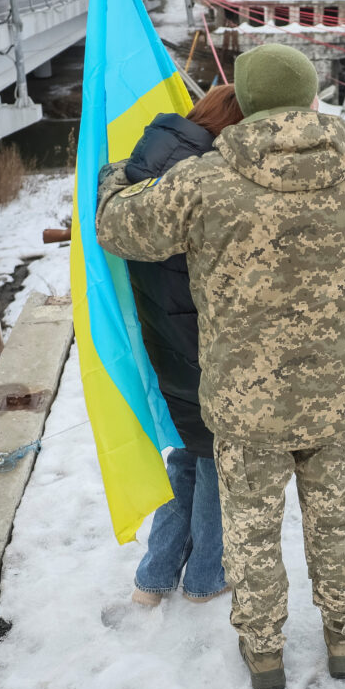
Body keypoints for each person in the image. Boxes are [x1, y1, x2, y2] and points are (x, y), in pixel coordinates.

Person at [95, 43, 345, 689]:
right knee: (335, 523)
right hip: (337, 397)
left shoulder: (203, 180)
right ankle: (344, 640)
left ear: (242, 104)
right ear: (311, 99)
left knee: (251, 535)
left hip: (245, 405)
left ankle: (264, 654)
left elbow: (119, 230)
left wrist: (113, 178)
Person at [123, 85, 244, 608]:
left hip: (164, 334)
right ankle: (205, 580)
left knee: (190, 458)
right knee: (217, 459)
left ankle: (153, 578)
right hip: (199, 337)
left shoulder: (153, 156)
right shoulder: (199, 175)